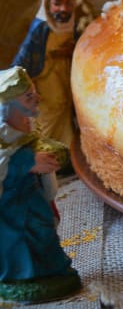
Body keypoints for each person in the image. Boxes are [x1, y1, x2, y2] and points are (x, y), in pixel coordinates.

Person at [0, 66, 80, 302]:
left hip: (31, 196)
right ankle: (19, 277)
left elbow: (33, 143)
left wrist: (53, 153)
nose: (38, 99)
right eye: (29, 97)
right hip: (9, 207)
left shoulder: (24, 125)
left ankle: (50, 271)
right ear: (10, 105)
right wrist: (28, 162)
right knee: (17, 240)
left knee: (43, 231)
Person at [11, 0, 77, 150]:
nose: (63, 9)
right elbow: (24, 57)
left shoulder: (70, 25)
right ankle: (44, 151)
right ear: (48, 4)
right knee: (50, 111)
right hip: (45, 80)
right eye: (57, 3)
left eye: (68, 3)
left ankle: (65, 150)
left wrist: (70, 51)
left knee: (64, 108)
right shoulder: (40, 28)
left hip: (63, 76)